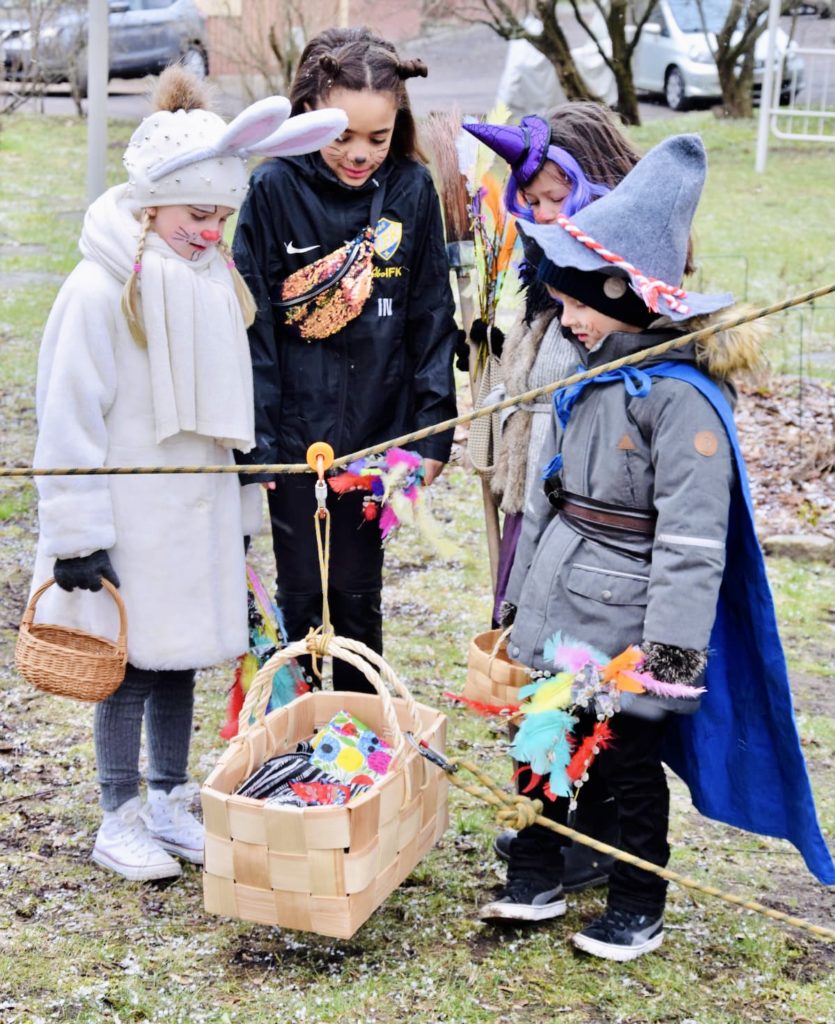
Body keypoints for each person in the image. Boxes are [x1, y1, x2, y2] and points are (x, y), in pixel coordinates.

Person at [478, 134, 834, 959]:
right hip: (563, 597)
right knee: (542, 741)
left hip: (630, 624)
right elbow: (552, 499)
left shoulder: (682, 404)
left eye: (578, 301)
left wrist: (670, 655)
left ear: (629, 294)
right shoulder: (589, 369)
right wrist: (519, 599)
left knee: (626, 767)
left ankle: (637, 901)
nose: (565, 317)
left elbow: (689, 543)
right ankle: (533, 874)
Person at [28, 67, 347, 882]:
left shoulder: (211, 284)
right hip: (127, 521)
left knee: (180, 661)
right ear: (150, 203)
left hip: (193, 515)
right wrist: (77, 534)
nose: (211, 232)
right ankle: (118, 812)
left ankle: (169, 797)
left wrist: (239, 512)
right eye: (197, 215)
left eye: (220, 217)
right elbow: (67, 413)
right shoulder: (100, 290)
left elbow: (228, 416)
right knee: (126, 668)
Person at [233, 27, 458, 693]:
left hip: (378, 431)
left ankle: (364, 739)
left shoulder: (412, 190)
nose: (360, 155)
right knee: (303, 589)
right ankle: (297, 733)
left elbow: (430, 314)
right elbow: (253, 328)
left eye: (377, 139)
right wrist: (261, 446)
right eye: (342, 138)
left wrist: (432, 429)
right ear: (306, 114)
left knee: (358, 593)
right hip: (295, 439)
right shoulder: (272, 189)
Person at [461, 104, 652, 892]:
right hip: (533, 516)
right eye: (529, 203)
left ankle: (591, 836)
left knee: (588, 686)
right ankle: (553, 822)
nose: (540, 215)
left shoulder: (616, 307)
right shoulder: (552, 289)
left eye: (552, 199)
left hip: (594, 535)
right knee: (538, 672)